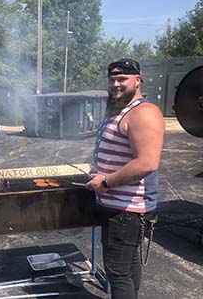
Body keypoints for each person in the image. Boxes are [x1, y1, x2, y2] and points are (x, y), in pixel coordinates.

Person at [85, 58, 164, 299]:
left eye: (122, 79)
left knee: (118, 273)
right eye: (112, 80)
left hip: (126, 211)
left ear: (138, 80)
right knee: (127, 268)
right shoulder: (121, 109)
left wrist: (106, 181)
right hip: (117, 207)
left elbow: (147, 163)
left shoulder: (144, 113)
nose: (116, 85)